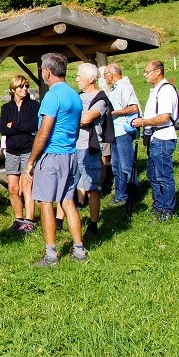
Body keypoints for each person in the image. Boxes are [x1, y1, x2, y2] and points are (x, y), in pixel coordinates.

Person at [24, 53, 87, 267]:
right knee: (68, 202)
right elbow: (77, 128)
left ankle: (51, 255)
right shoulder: (74, 95)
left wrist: (31, 161)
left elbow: (43, 133)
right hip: (70, 153)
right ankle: (79, 249)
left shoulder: (52, 96)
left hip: (52, 155)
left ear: (47, 72)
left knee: (45, 203)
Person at [132, 61, 179, 221]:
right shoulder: (156, 90)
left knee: (163, 175)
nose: (145, 74)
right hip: (155, 138)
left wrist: (143, 122)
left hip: (163, 137)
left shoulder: (165, 91)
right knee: (153, 174)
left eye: (147, 71)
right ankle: (159, 205)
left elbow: (164, 117)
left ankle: (168, 210)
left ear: (158, 71)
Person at [74, 63, 113, 238]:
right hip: (73, 147)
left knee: (92, 187)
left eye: (79, 76)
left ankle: (93, 224)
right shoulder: (77, 97)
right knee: (69, 184)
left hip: (89, 147)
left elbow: (86, 119)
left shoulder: (101, 99)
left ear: (90, 78)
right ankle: (61, 221)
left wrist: (71, 118)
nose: (76, 79)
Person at [0, 76, 39, 233]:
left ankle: (29, 220)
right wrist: (22, 127)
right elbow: (3, 129)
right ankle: (18, 219)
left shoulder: (33, 106)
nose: (24, 89)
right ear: (13, 89)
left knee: (27, 185)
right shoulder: (6, 108)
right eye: (21, 87)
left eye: (26, 86)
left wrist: (14, 125)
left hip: (28, 150)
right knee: (13, 188)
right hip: (11, 151)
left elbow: (35, 124)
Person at [103, 64, 140, 209]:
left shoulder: (124, 88)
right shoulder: (115, 89)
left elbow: (133, 107)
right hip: (115, 133)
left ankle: (134, 195)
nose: (104, 77)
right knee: (117, 167)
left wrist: (113, 113)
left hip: (123, 132)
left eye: (105, 74)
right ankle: (120, 195)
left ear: (112, 74)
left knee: (127, 166)